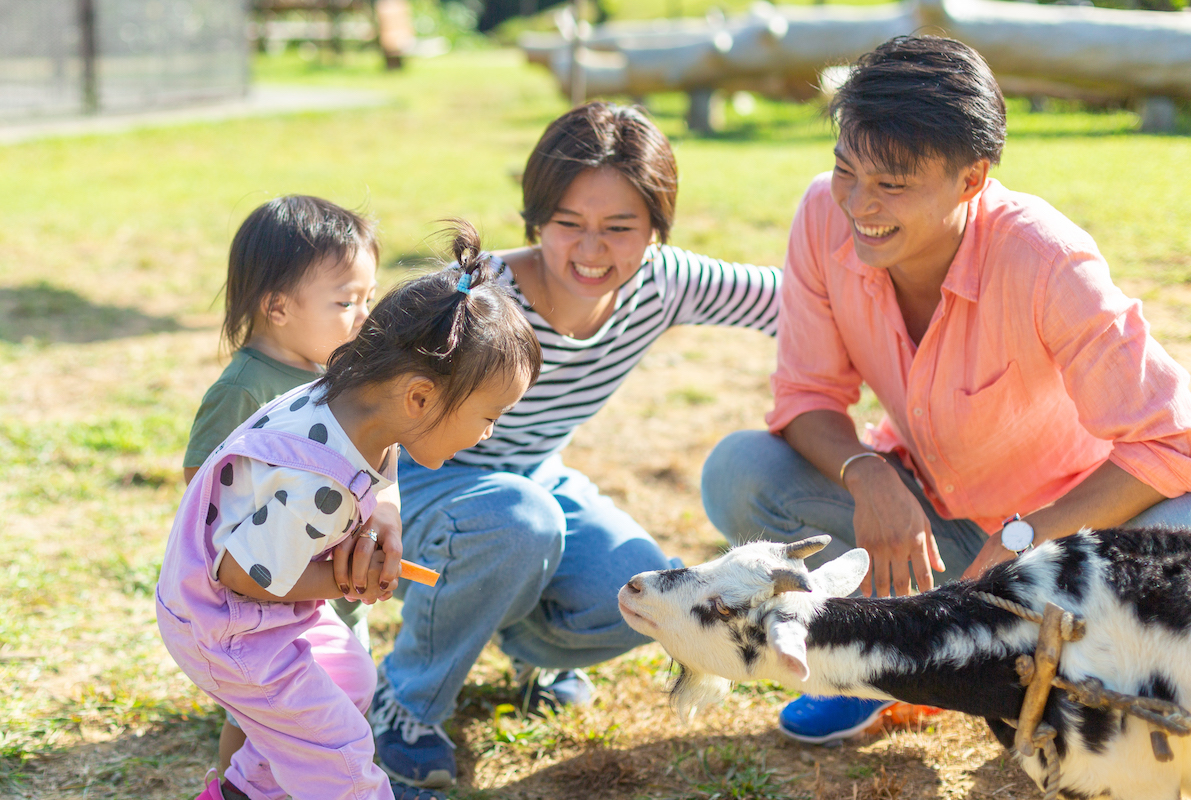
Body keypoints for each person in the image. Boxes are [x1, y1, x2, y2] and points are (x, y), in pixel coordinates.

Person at [700, 34, 1191, 745]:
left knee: (1189, 532)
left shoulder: (1048, 259)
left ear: (972, 179)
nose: (858, 205)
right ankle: (885, 658)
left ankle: (1036, 665)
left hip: (1067, 532)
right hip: (933, 524)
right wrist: (868, 474)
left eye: (891, 185)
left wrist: (1026, 537)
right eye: (846, 170)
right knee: (741, 472)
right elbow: (805, 397)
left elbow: (1172, 439)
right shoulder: (822, 213)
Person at [369, 101, 781, 791]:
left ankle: (524, 646)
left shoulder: (664, 281)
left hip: (534, 477)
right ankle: (404, 704)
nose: (591, 251)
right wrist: (369, 509)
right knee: (515, 519)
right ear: (536, 220)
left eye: (620, 228)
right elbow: (366, 401)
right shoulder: (476, 296)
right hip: (422, 484)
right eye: (569, 225)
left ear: (655, 230)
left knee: (644, 593)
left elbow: (798, 300)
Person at [158, 222, 542, 800]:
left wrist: (384, 515)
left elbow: (382, 460)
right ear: (419, 398)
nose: (489, 434)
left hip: (258, 609)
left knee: (349, 681)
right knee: (343, 758)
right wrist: (345, 574)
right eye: (490, 415)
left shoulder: (357, 400)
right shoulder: (320, 482)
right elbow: (242, 573)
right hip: (226, 625)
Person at [181, 195, 404, 778]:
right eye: (345, 302)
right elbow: (201, 488)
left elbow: (383, 451)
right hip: (259, 602)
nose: (364, 317)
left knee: (339, 697)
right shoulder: (246, 390)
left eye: (369, 298)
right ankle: (239, 788)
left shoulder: (341, 374)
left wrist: (384, 508)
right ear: (278, 306)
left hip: (334, 588)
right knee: (262, 715)